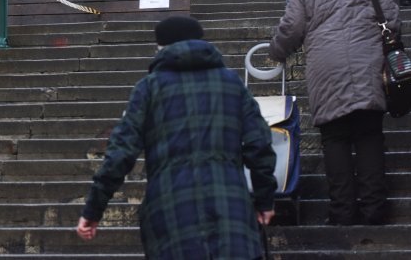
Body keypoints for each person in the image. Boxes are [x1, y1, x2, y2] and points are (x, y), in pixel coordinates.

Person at [76, 15, 277, 259]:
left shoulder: (149, 88)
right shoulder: (231, 84)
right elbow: (259, 143)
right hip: (230, 206)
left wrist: (93, 210)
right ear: (202, 42)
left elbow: (120, 154)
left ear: (159, 48)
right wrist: (265, 199)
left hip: (169, 210)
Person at [269, 0, 399, 226]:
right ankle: (374, 208)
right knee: (369, 135)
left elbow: (291, 28)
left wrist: (276, 51)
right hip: (368, 64)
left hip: (326, 69)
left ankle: (341, 211)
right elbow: (391, 19)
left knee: (335, 138)